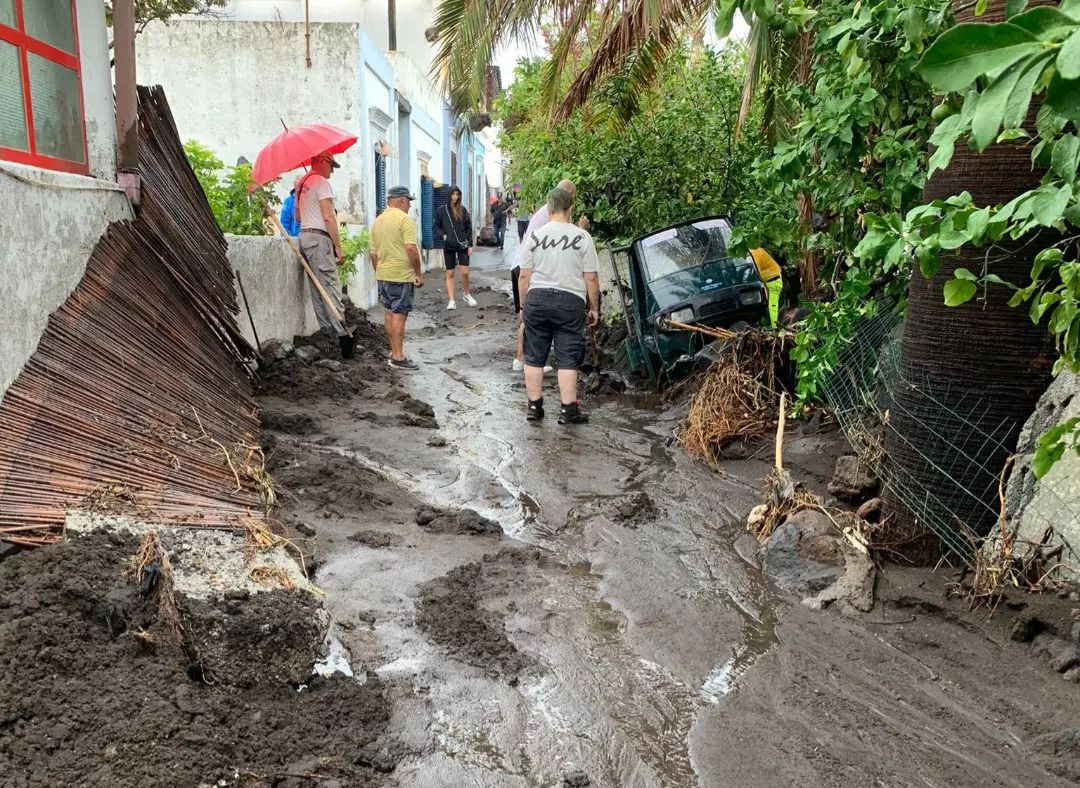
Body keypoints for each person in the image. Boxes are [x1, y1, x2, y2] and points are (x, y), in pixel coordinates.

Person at [518, 186, 600, 425]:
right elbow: (591, 277)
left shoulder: (534, 236)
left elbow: (524, 276)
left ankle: (534, 407)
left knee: (534, 355)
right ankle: (568, 411)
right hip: (569, 303)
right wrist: (593, 307)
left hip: (538, 299)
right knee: (567, 358)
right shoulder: (583, 237)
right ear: (570, 208)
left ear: (549, 208)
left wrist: (525, 307)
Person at [510, 179, 590, 371]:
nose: (573, 203)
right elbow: (565, 241)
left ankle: (527, 360)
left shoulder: (548, 210)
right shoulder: (553, 214)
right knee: (527, 315)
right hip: (525, 268)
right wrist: (581, 230)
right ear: (568, 195)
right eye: (573, 198)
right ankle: (522, 359)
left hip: (523, 266)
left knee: (531, 316)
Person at [295, 152, 349, 346]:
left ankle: (328, 337)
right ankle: (342, 337)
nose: (332, 172)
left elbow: (298, 217)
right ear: (323, 161)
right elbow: (328, 217)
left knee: (317, 289)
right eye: (331, 166)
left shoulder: (301, 183)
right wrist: (338, 247)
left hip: (304, 237)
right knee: (330, 287)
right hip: (319, 238)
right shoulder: (321, 183)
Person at [371, 185, 424, 370]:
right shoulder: (404, 220)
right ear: (401, 200)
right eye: (408, 201)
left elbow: (373, 253)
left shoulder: (378, 221)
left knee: (388, 313)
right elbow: (411, 249)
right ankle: (398, 358)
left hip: (383, 275)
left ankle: (393, 352)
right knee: (399, 315)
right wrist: (417, 273)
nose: (409, 205)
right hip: (401, 275)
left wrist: (379, 271)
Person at [434, 186, 477, 310]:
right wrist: (444, 236)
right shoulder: (441, 211)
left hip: (462, 244)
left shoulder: (463, 210)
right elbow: (435, 227)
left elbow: (468, 228)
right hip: (449, 245)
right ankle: (452, 300)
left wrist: (470, 245)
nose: (455, 197)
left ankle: (466, 294)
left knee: (465, 272)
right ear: (449, 195)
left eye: (457, 194)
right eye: (453, 194)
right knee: (450, 273)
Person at [749, 247, 784, 327]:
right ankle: (770, 325)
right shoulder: (755, 250)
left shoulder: (754, 253)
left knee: (772, 307)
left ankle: (775, 328)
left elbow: (755, 271)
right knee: (765, 306)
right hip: (768, 281)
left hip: (773, 280)